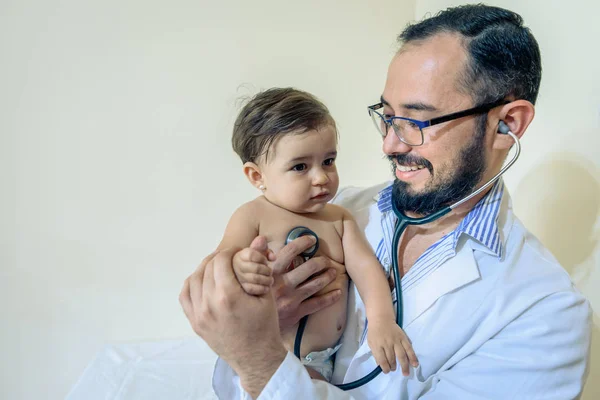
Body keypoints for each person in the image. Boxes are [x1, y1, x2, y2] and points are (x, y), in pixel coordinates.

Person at [179, 4, 592, 399]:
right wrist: (261, 326)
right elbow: (232, 376)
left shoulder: (545, 317)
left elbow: (253, 363)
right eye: (387, 115)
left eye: (415, 120)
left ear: (507, 124)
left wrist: (260, 359)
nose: (390, 144)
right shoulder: (337, 209)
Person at [215, 87, 417, 381]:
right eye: (300, 166)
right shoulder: (252, 216)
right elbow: (221, 264)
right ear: (257, 176)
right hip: (276, 355)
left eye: (328, 161)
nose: (321, 177)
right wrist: (241, 265)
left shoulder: (339, 218)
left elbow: (367, 270)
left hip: (329, 360)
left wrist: (382, 321)